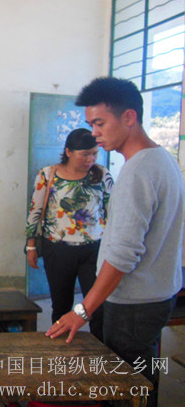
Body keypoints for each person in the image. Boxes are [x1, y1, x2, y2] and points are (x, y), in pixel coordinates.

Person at [46, 77, 184, 407]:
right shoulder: (163, 160)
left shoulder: (137, 171)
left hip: (134, 304)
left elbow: (123, 255)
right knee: (141, 380)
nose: (94, 133)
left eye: (100, 123)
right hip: (157, 294)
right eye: (91, 124)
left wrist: (82, 310)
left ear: (129, 117)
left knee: (123, 389)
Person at [26, 128, 113, 342]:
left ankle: (101, 351)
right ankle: (62, 350)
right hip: (58, 250)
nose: (90, 159)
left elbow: (113, 211)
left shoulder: (102, 175)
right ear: (68, 152)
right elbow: (36, 210)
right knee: (61, 305)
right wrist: (31, 245)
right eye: (85, 154)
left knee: (97, 306)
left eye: (94, 153)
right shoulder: (48, 175)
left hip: (95, 250)